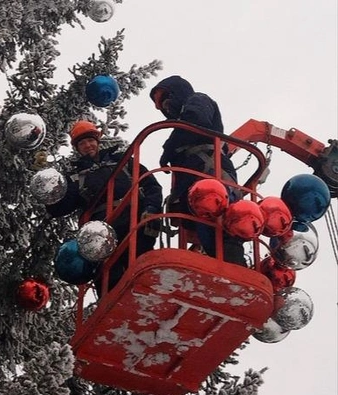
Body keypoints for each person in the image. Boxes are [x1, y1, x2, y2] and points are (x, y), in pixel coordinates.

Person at [46, 120, 163, 293]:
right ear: (77, 148)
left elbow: (152, 186)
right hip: (103, 232)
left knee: (143, 269)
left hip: (134, 222)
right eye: (82, 143)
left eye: (90, 140)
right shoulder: (75, 178)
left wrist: (151, 208)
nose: (88, 145)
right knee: (110, 280)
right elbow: (57, 208)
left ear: (97, 141)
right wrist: (48, 186)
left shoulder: (124, 163)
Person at [149, 75, 246, 265]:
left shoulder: (198, 100)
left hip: (212, 173)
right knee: (207, 227)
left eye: (167, 100)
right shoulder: (181, 127)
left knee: (222, 226)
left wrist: (168, 148)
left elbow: (195, 119)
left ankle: (235, 267)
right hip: (198, 178)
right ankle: (221, 265)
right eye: (163, 107)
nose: (167, 108)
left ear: (177, 93)